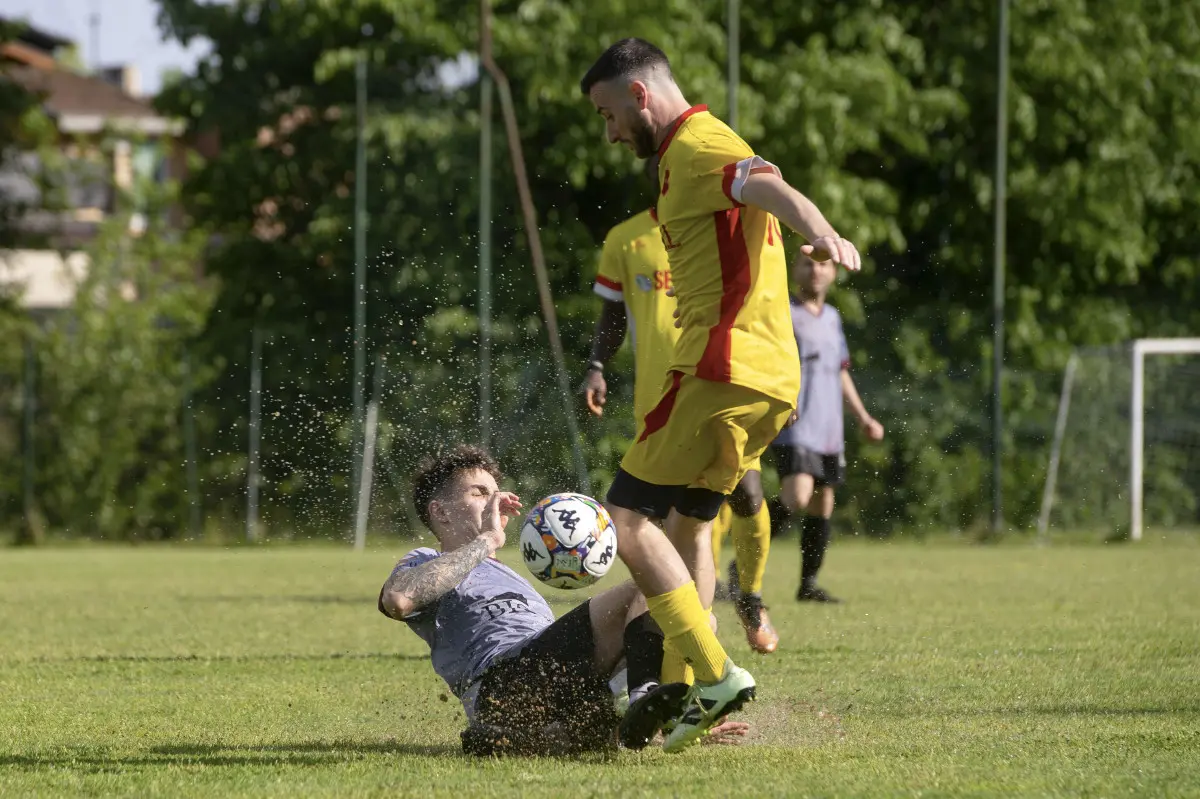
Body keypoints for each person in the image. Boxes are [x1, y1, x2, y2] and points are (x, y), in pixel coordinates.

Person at [580, 37, 861, 750]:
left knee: (625, 514)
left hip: (717, 368)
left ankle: (710, 669)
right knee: (693, 526)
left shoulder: (698, 143)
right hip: (768, 378)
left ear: (640, 95)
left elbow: (766, 183)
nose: (609, 132)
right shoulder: (677, 160)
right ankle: (687, 704)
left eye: (610, 114)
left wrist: (822, 228)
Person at [376, 444, 748, 755]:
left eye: (496, 491)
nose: (497, 502)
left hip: (561, 685)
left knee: (698, 621)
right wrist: (487, 540)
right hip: (503, 683)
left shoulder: (511, 575)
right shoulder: (426, 560)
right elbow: (398, 599)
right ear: (440, 511)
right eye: (479, 492)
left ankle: (535, 737)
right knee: (648, 588)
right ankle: (638, 696)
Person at [581, 162, 777, 655]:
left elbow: (762, 297)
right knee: (684, 520)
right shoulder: (626, 240)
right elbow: (611, 315)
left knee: (748, 497)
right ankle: (692, 632)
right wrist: (597, 366)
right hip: (661, 400)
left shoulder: (720, 222)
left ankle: (750, 597)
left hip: (727, 383)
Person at [767, 252, 884, 603]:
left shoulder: (832, 318)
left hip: (828, 428)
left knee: (822, 503)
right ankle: (741, 567)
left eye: (822, 264)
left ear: (833, 272)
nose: (815, 270)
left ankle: (808, 584)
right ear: (795, 270)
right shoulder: (783, 314)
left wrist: (863, 417)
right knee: (797, 495)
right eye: (807, 263)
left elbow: (840, 371)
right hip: (795, 424)